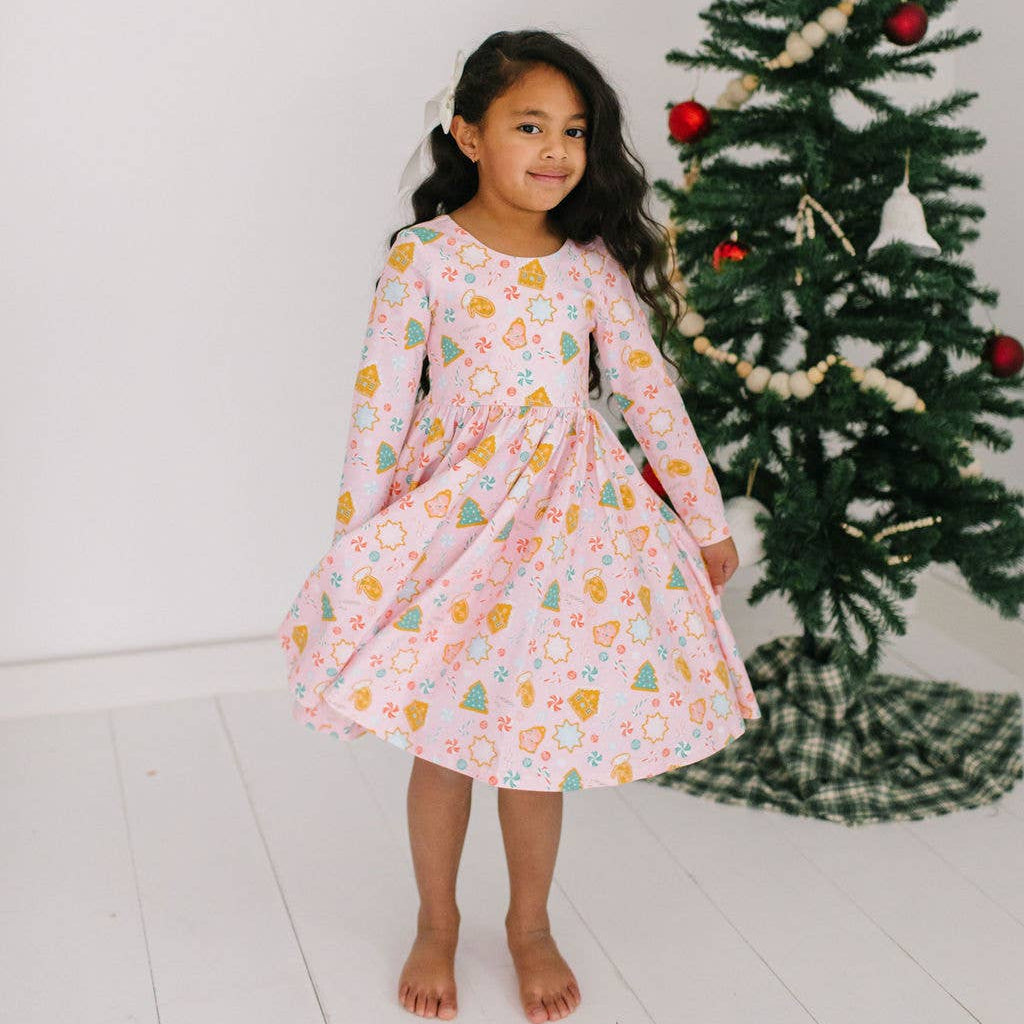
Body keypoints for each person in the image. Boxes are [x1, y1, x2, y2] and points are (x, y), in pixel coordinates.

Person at [278, 28, 763, 1023]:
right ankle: (437, 921)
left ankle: (530, 924)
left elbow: (647, 392)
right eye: (528, 125)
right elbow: (378, 412)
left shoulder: (586, 266)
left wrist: (701, 515)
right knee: (448, 742)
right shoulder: (424, 258)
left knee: (533, 740)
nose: (555, 149)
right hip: (455, 527)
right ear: (467, 135)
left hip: (566, 535)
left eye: (574, 130)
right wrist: (357, 547)